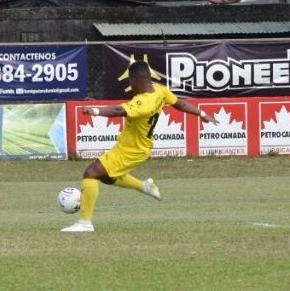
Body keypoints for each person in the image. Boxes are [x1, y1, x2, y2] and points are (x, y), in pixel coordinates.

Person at [63, 62, 210, 232]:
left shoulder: (143, 102)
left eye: (130, 81)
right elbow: (180, 104)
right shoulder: (160, 91)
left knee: (91, 173)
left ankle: (85, 223)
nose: (130, 85)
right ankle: (144, 186)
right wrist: (202, 113)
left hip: (132, 150)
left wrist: (95, 111)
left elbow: (118, 111)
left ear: (136, 79)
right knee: (106, 177)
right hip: (136, 147)